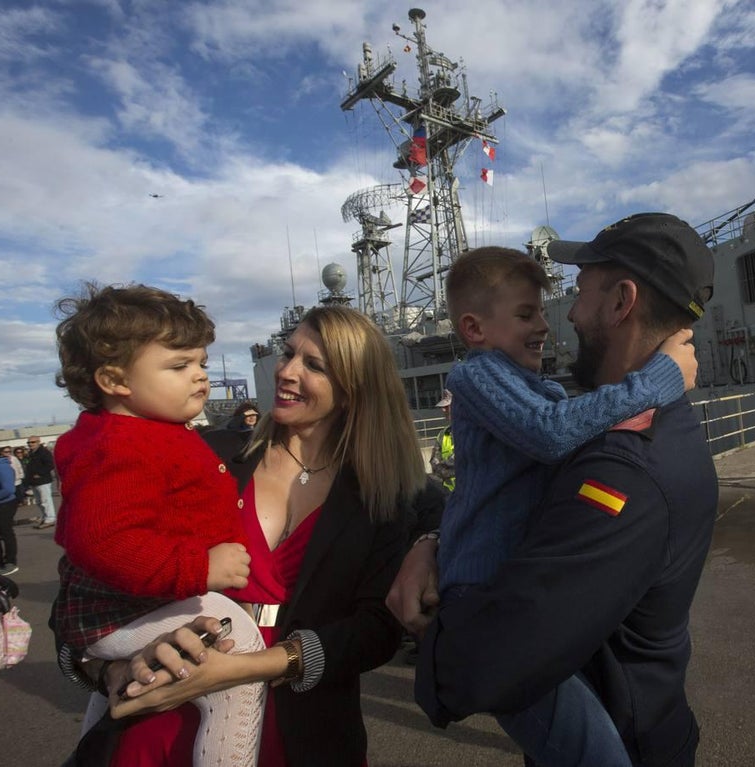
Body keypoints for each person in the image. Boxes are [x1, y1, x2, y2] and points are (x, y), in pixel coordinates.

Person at [391, 212, 719, 767]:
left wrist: (440, 655)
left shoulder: (627, 468)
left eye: (579, 293)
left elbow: (500, 657)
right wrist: (434, 543)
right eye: (529, 312)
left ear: (621, 302)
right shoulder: (632, 425)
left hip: (630, 735)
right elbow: (522, 469)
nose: (560, 317)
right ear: (475, 328)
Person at [76, 304, 446, 766]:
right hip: (165, 719)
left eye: (314, 365)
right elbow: (82, 586)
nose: (286, 372)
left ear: (355, 388)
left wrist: (427, 540)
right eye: (288, 354)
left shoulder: (382, 497)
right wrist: (107, 670)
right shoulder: (206, 456)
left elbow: (374, 631)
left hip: (307, 730)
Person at [49, 283, 265, 766]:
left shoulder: (145, 432)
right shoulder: (120, 446)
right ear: (114, 379)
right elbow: (103, 540)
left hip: (125, 602)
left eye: (202, 364)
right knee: (238, 645)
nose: (200, 377)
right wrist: (199, 567)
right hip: (121, 604)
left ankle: (94, 753)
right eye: (179, 366)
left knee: (120, 697)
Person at [0, 442, 20, 576]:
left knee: (5, 532)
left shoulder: (2, 467)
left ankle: (10, 562)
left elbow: (8, 489)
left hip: (4, 505)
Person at [25, 436, 56, 529]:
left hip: (43, 481)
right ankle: (45, 516)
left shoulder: (44, 452)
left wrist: (40, 473)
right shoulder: (31, 453)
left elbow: (51, 464)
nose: (30, 444)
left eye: (33, 442)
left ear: (38, 442)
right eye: (29, 443)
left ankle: (50, 518)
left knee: (46, 501)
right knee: (39, 502)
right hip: (34, 481)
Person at [429, 390, 456, 492]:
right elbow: (434, 464)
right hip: (449, 495)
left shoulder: (472, 431)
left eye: (447, 406)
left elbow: (464, 461)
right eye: (442, 407)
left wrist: (442, 469)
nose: (443, 410)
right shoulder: (442, 434)